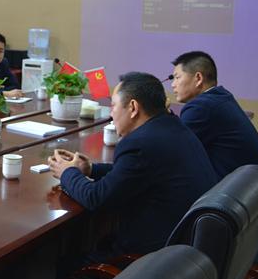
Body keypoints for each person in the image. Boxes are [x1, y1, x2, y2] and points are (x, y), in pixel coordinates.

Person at [48, 72, 217, 257]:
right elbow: (138, 172)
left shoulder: (139, 144)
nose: (111, 114)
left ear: (133, 107)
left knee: (71, 255)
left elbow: (96, 199)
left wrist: (67, 172)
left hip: (155, 257)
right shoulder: (173, 126)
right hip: (189, 245)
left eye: (113, 105)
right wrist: (91, 169)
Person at [171, 51, 258, 179]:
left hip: (228, 186)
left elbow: (174, 150)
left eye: (177, 77)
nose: (173, 84)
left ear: (198, 78)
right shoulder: (220, 96)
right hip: (251, 183)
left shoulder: (201, 107)